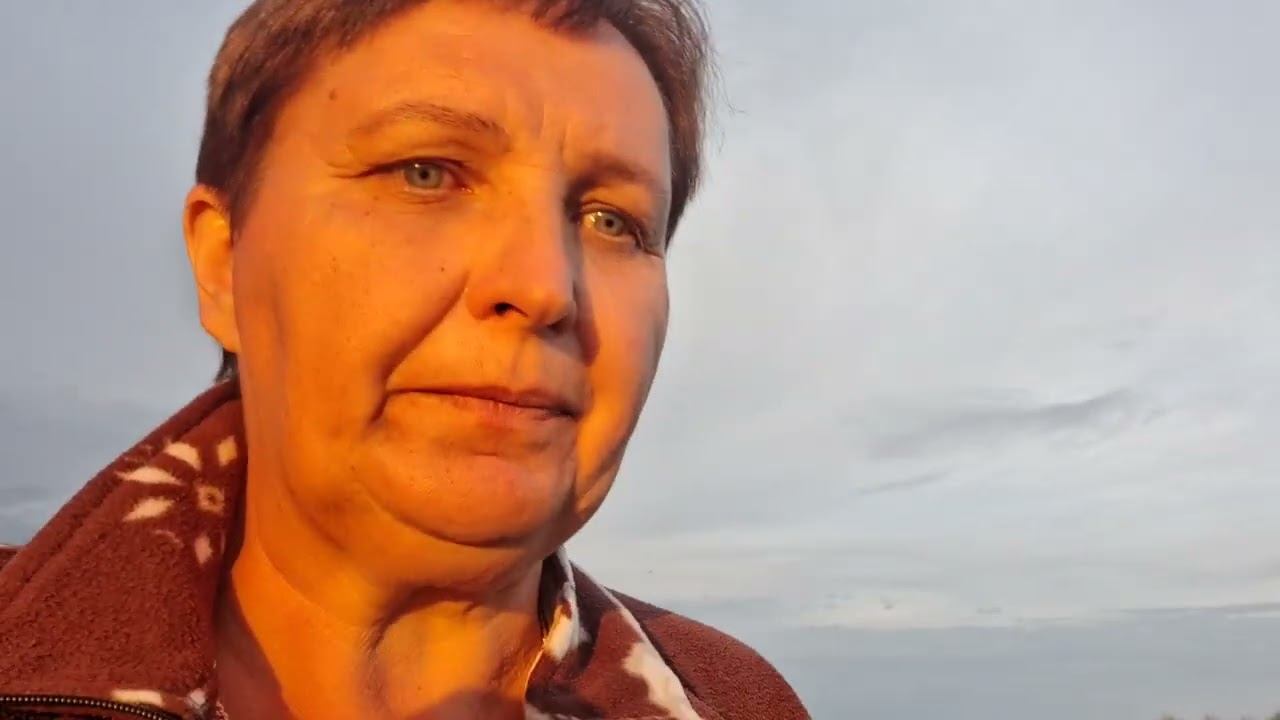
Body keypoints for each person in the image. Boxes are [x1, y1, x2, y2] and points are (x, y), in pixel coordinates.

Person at [0, 1, 809, 718]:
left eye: (612, 221)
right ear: (224, 264)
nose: (542, 287)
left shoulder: (743, 704)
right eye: (427, 174)